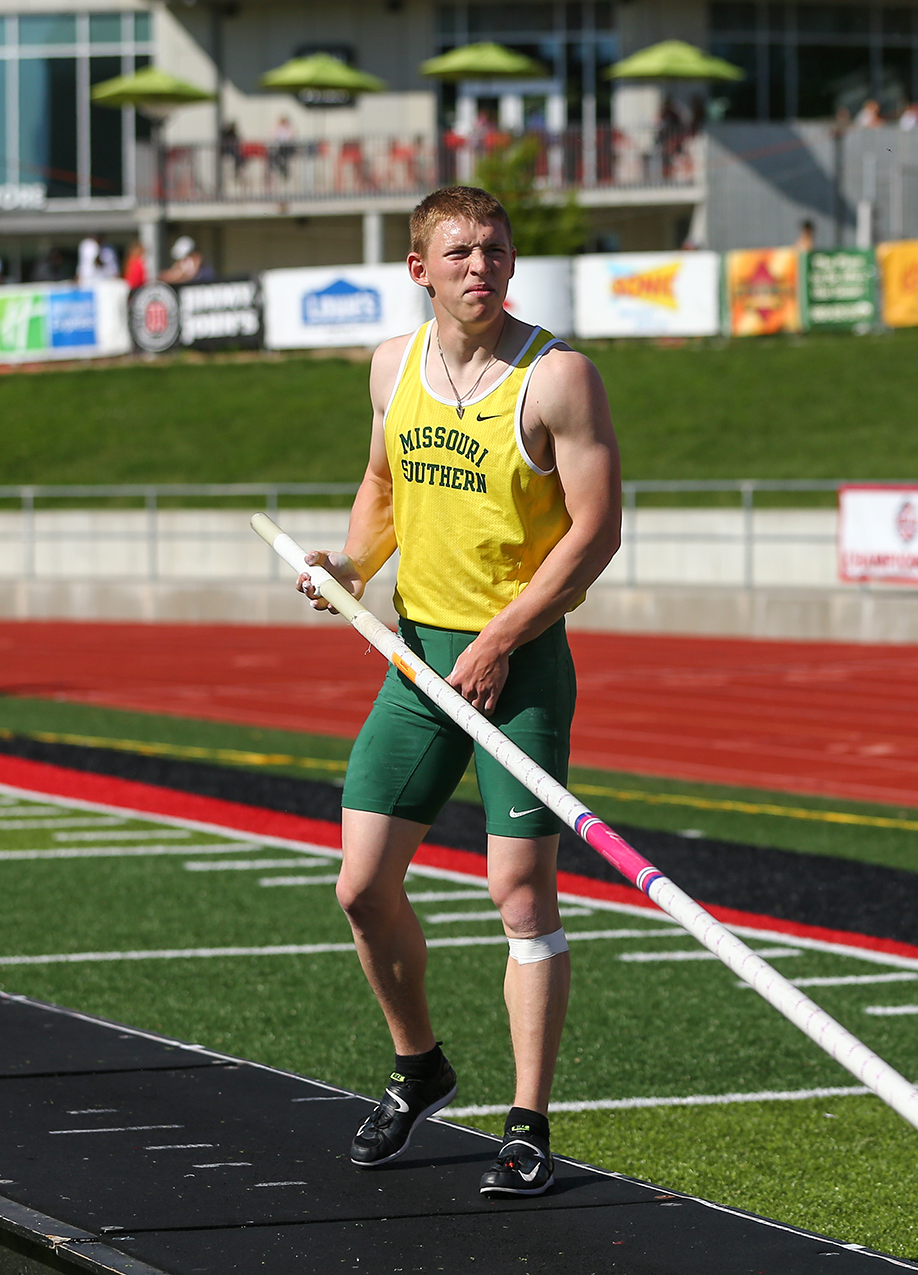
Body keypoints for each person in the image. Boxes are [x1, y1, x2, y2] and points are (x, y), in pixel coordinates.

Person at [295, 185, 621, 1198]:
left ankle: (528, 1122)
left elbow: (593, 534)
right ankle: (420, 1065)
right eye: (459, 253)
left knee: (518, 891)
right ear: (420, 269)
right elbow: (384, 481)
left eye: (493, 251)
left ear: (512, 264)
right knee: (359, 886)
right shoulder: (393, 364)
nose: (479, 267)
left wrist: (500, 638)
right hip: (420, 661)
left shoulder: (557, 378)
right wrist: (353, 566)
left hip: (519, 664)